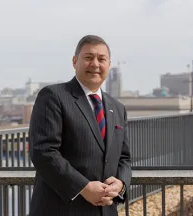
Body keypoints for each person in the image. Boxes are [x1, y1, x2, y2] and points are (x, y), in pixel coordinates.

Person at [28, 35, 132, 216]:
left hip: (105, 210)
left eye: (102, 59)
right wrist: (83, 188)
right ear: (75, 61)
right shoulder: (53, 96)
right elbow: (43, 151)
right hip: (61, 209)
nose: (95, 64)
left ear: (109, 64)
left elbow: (124, 158)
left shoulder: (118, 108)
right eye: (88, 57)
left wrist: (121, 184)